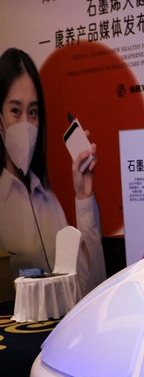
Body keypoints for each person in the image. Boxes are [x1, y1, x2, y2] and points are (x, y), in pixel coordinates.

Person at [0, 47, 105, 295]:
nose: (26, 123)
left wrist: (83, 197)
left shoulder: (49, 201)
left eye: (32, 112)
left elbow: (89, 287)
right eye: (15, 111)